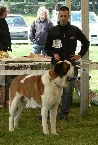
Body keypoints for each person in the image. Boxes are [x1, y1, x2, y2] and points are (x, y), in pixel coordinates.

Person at [44, 6, 89, 120]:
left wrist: (79, 55)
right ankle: (48, 113)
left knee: (67, 91)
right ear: (58, 16)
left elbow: (86, 43)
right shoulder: (53, 30)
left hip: (70, 66)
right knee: (51, 89)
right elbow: (46, 48)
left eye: (65, 16)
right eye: (61, 16)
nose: (63, 18)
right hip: (56, 65)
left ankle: (64, 114)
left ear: (69, 16)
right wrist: (53, 54)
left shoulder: (74, 30)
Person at [0, 6, 12, 86]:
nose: (7, 13)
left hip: (4, 48)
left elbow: (6, 35)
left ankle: (2, 82)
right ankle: (1, 82)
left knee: (3, 65)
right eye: (6, 12)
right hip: (1, 49)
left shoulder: (3, 21)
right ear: (3, 13)